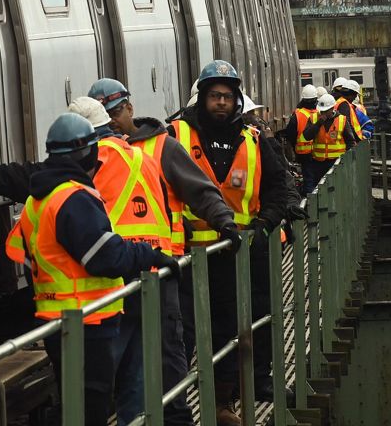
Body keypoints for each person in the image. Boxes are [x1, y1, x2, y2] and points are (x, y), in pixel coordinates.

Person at [4, 112, 178, 426]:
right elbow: (106, 256)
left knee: (77, 403)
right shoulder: (74, 198)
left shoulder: (37, 200)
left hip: (57, 320)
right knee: (92, 406)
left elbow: (28, 256)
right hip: (90, 320)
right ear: (89, 153)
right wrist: (148, 254)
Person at [87, 78, 239, 426]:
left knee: (168, 353)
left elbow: (199, 189)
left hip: (160, 272)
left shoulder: (161, 147)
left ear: (130, 107)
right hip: (112, 276)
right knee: (122, 360)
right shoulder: (94, 152)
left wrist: (224, 222)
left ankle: (174, 418)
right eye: (104, 114)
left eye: (115, 111)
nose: (112, 120)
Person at [169, 60, 296, 424]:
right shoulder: (175, 135)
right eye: (214, 96)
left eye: (227, 96)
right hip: (189, 258)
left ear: (236, 100)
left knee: (230, 330)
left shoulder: (253, 140)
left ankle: (223, 405)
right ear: (202, 98)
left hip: (238, 255)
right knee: (183, 335)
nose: (221, 102)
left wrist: (266, 222)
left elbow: (279, 187)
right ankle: (176, 407)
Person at [279, 85, 321, 194]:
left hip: (303, 153)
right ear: (316, 100)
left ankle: (309, 200)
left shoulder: (297, 115)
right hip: (319, 152)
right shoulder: (320, 114)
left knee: (308, 178)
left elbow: (290, 135)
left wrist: (294, 147)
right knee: (318, 177)